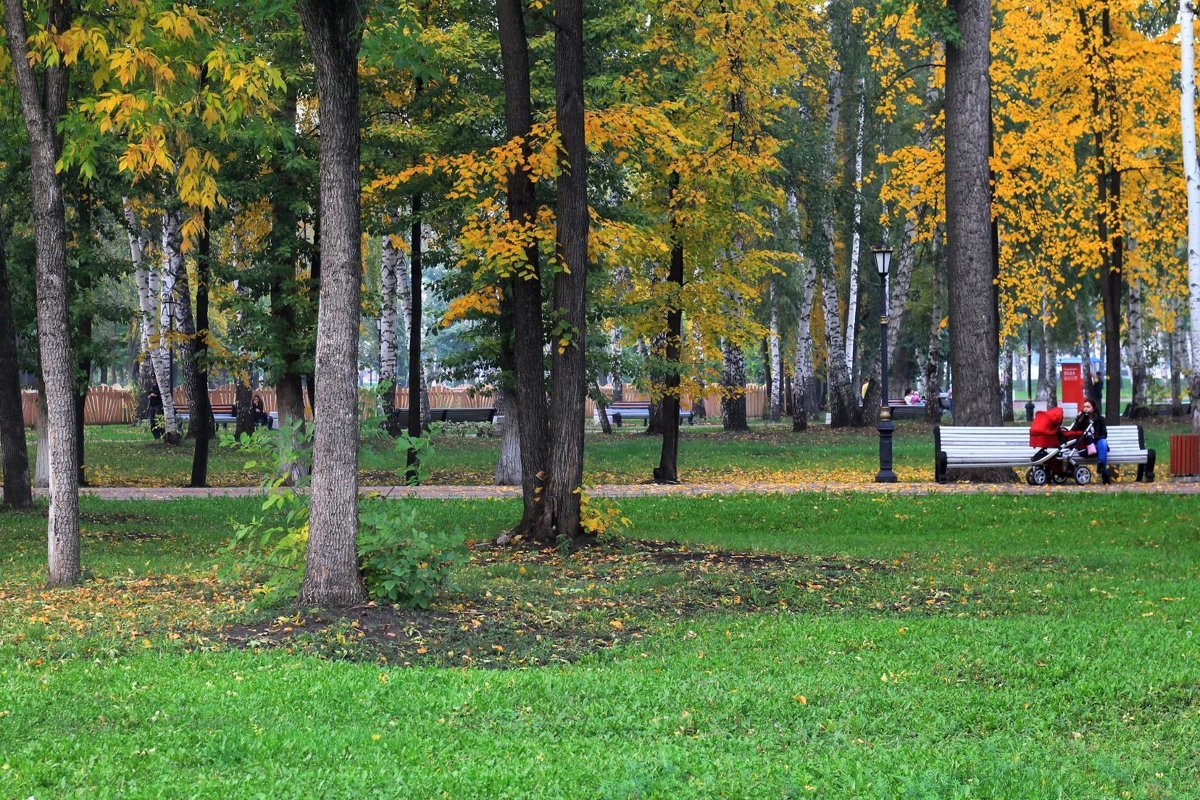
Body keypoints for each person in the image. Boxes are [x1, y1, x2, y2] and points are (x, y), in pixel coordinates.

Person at [1067, 398, 1110, 484]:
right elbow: (1072, 431)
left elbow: (1104, 434)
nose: (1086, 408)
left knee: (1103, 442)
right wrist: (1078, 419)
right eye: (1084, 407)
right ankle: (1104, 472)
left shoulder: (1100, 419)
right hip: (1085, 448)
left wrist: (1094, 437)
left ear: (1093, 408)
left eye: (1088, 407)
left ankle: (1101, 464)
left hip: (1097, 446)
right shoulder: (1081, 419)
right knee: (1103, 448)